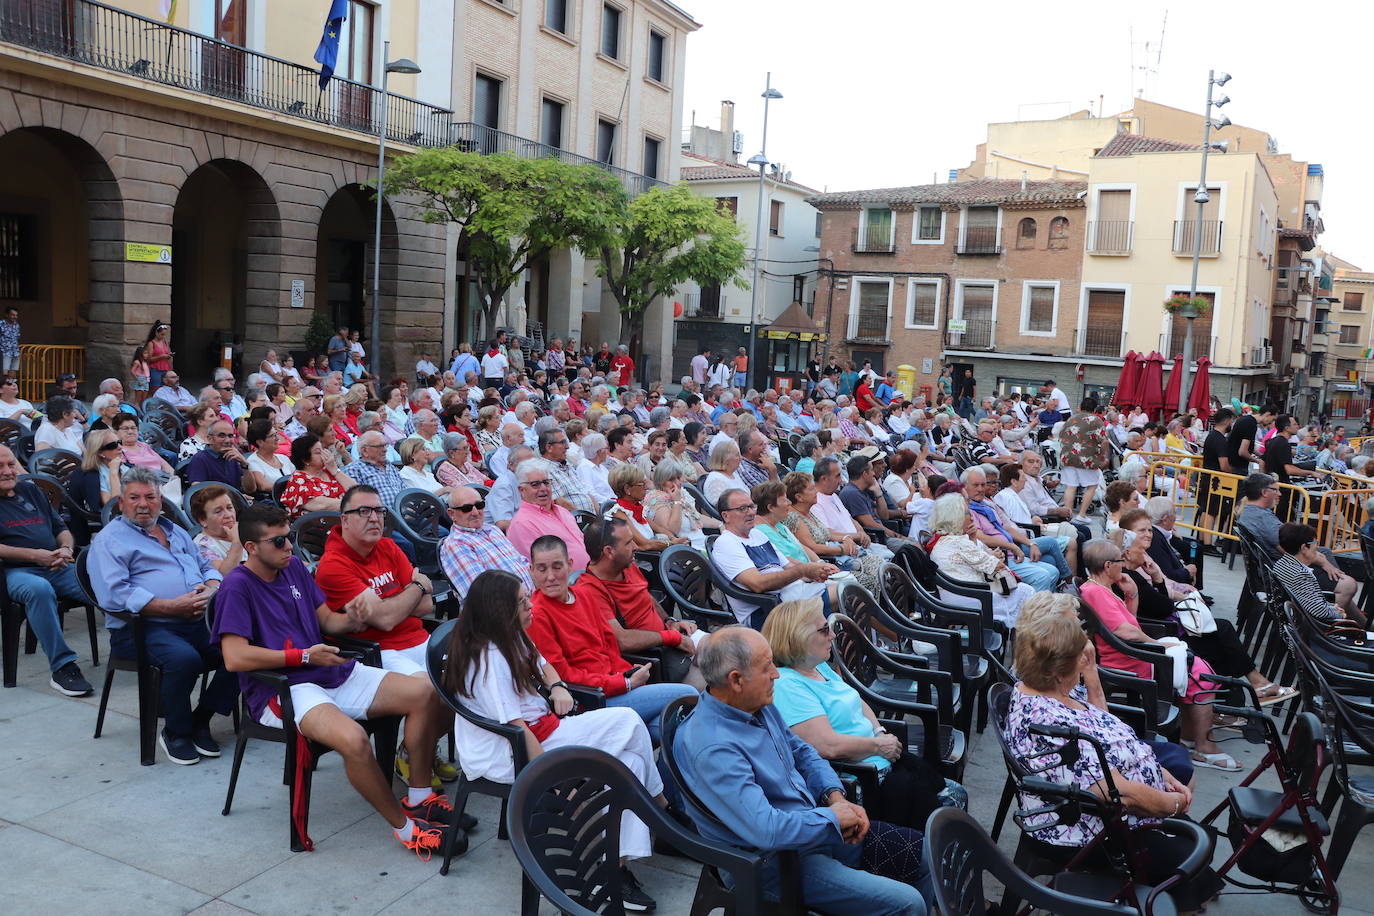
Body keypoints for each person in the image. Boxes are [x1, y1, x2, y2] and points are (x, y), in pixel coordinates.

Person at [213, 503, 454, 856]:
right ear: (251, 547)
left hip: (326, 669)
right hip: (282, 688)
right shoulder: (236, 586)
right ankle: (406, 830)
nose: (289, 548)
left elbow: (325, 620)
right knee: (354, 740)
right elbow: (234, 658)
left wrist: (352, 620)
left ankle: (419, 798)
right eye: (278, 541)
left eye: (290, 537)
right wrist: (304, 656)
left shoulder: (293, 567)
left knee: (425, 692)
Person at [442, 569, 666, 908]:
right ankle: (661, 812)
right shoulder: (490, 658)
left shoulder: (510, 633)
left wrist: (558, 686)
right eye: (521, 603)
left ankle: (615, 868)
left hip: (544, 728)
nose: (530, 605)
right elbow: (517, 730)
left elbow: (544, 664)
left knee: (629, 762)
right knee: (629, 722)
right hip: (512, 752)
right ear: (500, 610)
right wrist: (557, 780)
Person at [675, 626, 933, 915]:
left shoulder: (755, 703)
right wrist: (832, 818)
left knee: (926, 856)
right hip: (773, 864)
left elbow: (803, 752)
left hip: (810, 832)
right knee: (909, 903)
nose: (776, 673)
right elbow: (767, 831)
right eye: (767, 666)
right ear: (736, 680)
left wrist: (835, 797)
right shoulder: (713, 747)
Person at [1005, 602, 1223, 912]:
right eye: (1079, 657)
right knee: (1188, 852)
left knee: (1193, 842)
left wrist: (1159, 772)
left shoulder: (1049, 690)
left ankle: (1180, 893)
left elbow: (1102, 727)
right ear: (1058, 671)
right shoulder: (1048, 721)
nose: (1086, 658)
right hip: (1086, 830)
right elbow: (1114, 793)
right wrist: (1170, 804)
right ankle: (1170, 899)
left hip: (1111, 814)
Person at [764, 599, 966, 829]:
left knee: (952, 795)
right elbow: (828, 746)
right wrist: (878, 746)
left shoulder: (817, 666)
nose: (832, 635)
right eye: (823, 630)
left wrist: (879, 732)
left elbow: (857, 701)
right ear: (796, 637)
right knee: (948, 811)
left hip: (882, 759)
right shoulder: (788, 684)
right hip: (862, 778)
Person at [88, 467, 238, 764]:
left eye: (151, 497)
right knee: (184, 659)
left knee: (242, 650)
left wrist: (211, 586)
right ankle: (176, 732)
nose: (143, 504)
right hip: (141, 629)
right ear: (122, 502)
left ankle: (200, 719)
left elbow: (206, 565)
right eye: (135, 497)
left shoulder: (174, 530)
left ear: (161, 501)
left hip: (193, 620)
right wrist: (170, 606)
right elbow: (114, 595)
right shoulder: (110, 541)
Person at [1078, 539, 1239, 771]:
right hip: (1131, 661)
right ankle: (1203, 745)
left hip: (1135, 654)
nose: (1123, 565)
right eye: (1120, 561)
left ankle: (1190, 736)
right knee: (1200, 672)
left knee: (1195, 665)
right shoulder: (1097, 593)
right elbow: (1125, 631)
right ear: (1107, 566)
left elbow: (1129, 622)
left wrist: (1132, 594)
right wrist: (1159, 646)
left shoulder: (1100, 588)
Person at [526, 534, 696, 742]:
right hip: (592, 698)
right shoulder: (537, 614)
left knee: (675, 729)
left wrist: (628, 674)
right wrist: (623, 683)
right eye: (542, 569)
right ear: (532, 571)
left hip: (618, 683)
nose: (550, 576)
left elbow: (609, 644)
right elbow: (561, 673)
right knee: (687, 694)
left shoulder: (584, 595)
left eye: (557, 567)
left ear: (570, 565)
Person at [0, 444, 95, 696]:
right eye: (0, 466)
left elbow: (60, 528)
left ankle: (129, 646)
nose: (8, 471)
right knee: (40, 590)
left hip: (56, 564)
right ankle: (63, 667)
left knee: (100, 582)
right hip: (14, 572)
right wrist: (35, 556)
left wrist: (65, 549)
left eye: (10, 464)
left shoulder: (30, 490)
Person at [578, 516, 706, 688]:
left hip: (671, 639)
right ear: (609, 552)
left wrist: (670, 621)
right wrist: (671, 638)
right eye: (629, 543)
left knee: (737, 648)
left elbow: (646, 596)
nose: (636, 547)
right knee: (725, 675)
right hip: (657, 657)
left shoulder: (626, 565)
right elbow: (622, 641)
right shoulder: (590, 589)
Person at [712, 487, 840, 628]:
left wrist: (815, 572)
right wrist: (802, 571)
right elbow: (757, 584)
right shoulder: (726, 543)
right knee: (847, 593)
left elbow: (789, 567)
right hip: (769, 612)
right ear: (726, 516)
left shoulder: (757, 534)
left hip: (792, 597)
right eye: (742, 508)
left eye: (751, 506)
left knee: (848, 591)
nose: (750, 512)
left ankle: (839, 645)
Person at [1238, 472, 1357, 612]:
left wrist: (1320, 556)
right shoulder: (1263, 519)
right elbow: (1291, 549)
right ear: (1264, 492)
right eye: (1275, 490)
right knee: (1348, 585)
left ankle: (1354, 620)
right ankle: (1325, 622)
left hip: (1274, 568)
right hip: (1285, 574)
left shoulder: (1248, 513)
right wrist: (1322, 561)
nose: (1279, 494)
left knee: (1325, 553)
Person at [926, 493, 1034, 627]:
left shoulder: (943, 539)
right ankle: (1023, 640)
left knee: (1021, 590)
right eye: (967, 513)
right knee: (1026, 591)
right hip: (969, 598)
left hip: (956, 595)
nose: (971, 517)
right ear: (955, 517)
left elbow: (981, 560)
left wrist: (974, 540)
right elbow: (998, 567)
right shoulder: (958, 541)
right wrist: (993, 559)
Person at [961, 466, 1065, 590]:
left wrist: (1031, 544)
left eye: (983, 485)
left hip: (1011, 550)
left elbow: (1005, 526)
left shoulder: (985, 504)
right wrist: (1012, 546)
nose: (981, 489)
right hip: (999, 556)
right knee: (1043, 575)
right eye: (976, 485)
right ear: (964, 487)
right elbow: (979, 536)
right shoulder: (966, 509)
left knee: (1052, 568)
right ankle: (1037, 607)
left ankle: (1046, 604)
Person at [438, 485, 533, 601]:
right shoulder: (455, 544)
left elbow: (523, 563)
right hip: (507, 612)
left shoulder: (493, 530)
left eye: (479, 505)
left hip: (532, 602)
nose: (475, 512)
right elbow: (482, 596)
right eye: (467, 508)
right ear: (451, 514)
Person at [1273, 521, 1368, 628]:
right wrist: (1338, 613)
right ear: (1304, 548)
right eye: (1315, 543)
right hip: (1312, 632)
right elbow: (1318, 611)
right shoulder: (1301, 575)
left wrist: (1332, 608)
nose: (1317, 547)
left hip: (1297, 625)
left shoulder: (1282, 563)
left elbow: (1313, 603)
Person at [505, 460, 590, 569]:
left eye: (546, 482)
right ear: (522, 490)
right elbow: (539, 570)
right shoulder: (521, 524)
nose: (543, 488)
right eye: (535, 484)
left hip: (589, 577)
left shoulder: (563, 511)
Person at [1057, 397, 1109, 524]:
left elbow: (1061, 435)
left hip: (1067, 456)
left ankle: (1068, 514)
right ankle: (1081, 514)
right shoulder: (1096, 420)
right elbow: (1104, 441)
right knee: (1092, 486)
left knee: (1071, 486)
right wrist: (1103, 455)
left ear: (1080, 407)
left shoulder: (1071, 419)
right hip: (1087, 458)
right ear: (1095, 409)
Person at [281, 434, 356, 520]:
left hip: (350, 516)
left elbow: (355, 489)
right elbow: (323, 505)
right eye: (318, 452)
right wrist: (355, 503)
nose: (324, 454)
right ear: (305, 460)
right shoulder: (298, 481)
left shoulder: (328, 470)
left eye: (323, 449)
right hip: (323, 526)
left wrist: (335, 470)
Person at [185, 420, 258, 495]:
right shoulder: (200, 459)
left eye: (230, 436)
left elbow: (250, 489)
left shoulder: (235, 457)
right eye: (222, 435)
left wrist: (244, 464)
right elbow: (197, 492)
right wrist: (237, 498)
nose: (227, 440)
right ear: (209, 439)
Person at [1197, 407, 1234, 550]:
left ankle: (1202, 540)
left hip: (1208, 477)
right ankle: (1207, 543)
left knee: (1206, 510)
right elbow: (1224, 465)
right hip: (1215, 480)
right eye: (1232, 421)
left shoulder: (1212, 436)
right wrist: (1232, 472)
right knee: (1211, 511)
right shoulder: (1220, 440)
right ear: (1227, 421)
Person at [342, 430, 407, 509]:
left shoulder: (390, 466)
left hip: (405, 514)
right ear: (364, 450)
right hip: (379, 517)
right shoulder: (354, 469)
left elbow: (405, 492)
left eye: (385, 445)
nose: (385, 450)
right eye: (380, 446)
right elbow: (356, 501)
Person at [144, 321, 173, 388]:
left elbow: (166, 352)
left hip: (165, 368)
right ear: (156, 333)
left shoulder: (164, 342)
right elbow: (149, 359)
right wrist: (161, 356)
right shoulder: (151, 343)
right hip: (155, 369)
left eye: (164, 334)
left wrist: (169, 355)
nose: (163, 336)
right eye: (162, 334)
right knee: (155, 388)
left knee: (166, 388)